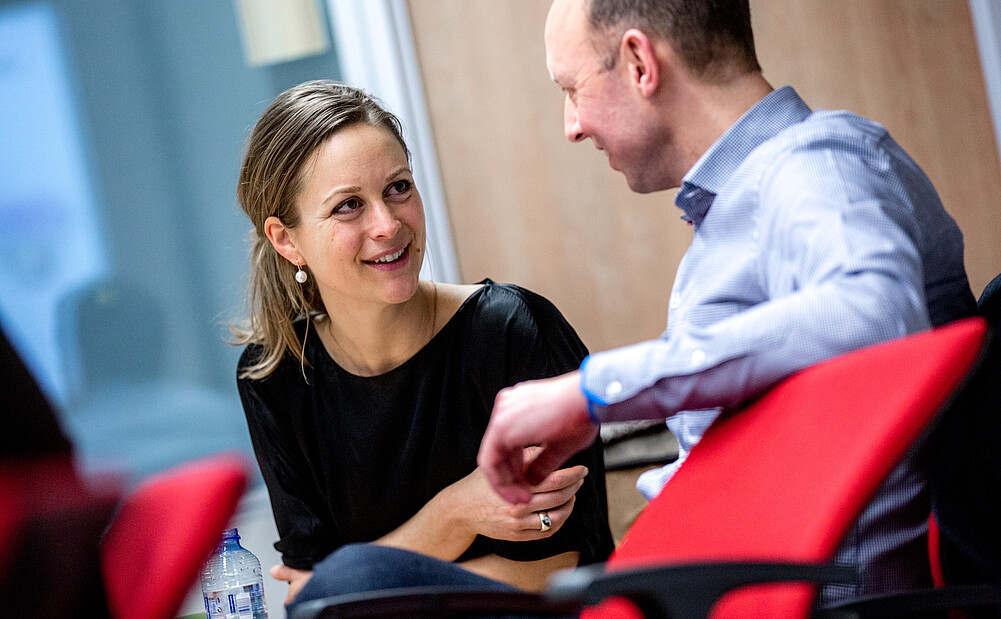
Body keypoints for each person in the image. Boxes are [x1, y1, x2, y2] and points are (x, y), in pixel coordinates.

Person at [478, 0, 976, 603]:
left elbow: (872, 311)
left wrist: (591, 393)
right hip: (710, 590)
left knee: (363, 584)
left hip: (794, 602)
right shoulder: (740, 208)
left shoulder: (817, 161)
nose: (572, 125)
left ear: (639, 62)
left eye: (572, 88)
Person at [231, 80, 614, 608]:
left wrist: (363, 577)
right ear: (286, 240)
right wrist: (455, 512)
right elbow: (320, 593)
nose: (388, 224)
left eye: (398, 188)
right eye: (348, 206)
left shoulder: (510, 330)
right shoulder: (274, 375)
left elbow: (560, 563)